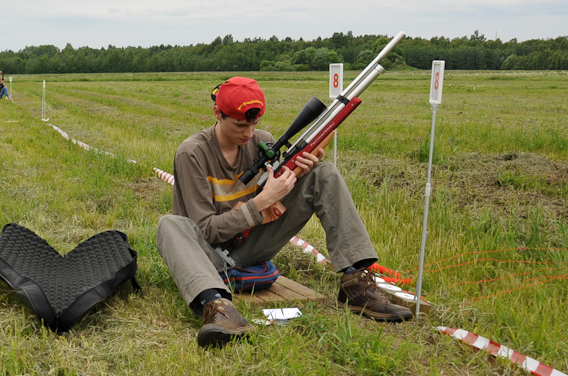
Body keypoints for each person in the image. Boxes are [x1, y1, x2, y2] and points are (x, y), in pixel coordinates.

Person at [156, 76, 412, 349]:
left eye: (254, 124)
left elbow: (278, 197)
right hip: (205, 258)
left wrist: (301, 172)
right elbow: (205, 230)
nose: (249, 133)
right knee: (169, 224)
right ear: (218, 113)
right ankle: (219, 308)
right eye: (240, 125)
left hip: (250, 245)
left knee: (323, 173)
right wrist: (260, 202)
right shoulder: (192, 153)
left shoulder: (263, 142)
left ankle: (356, 284)